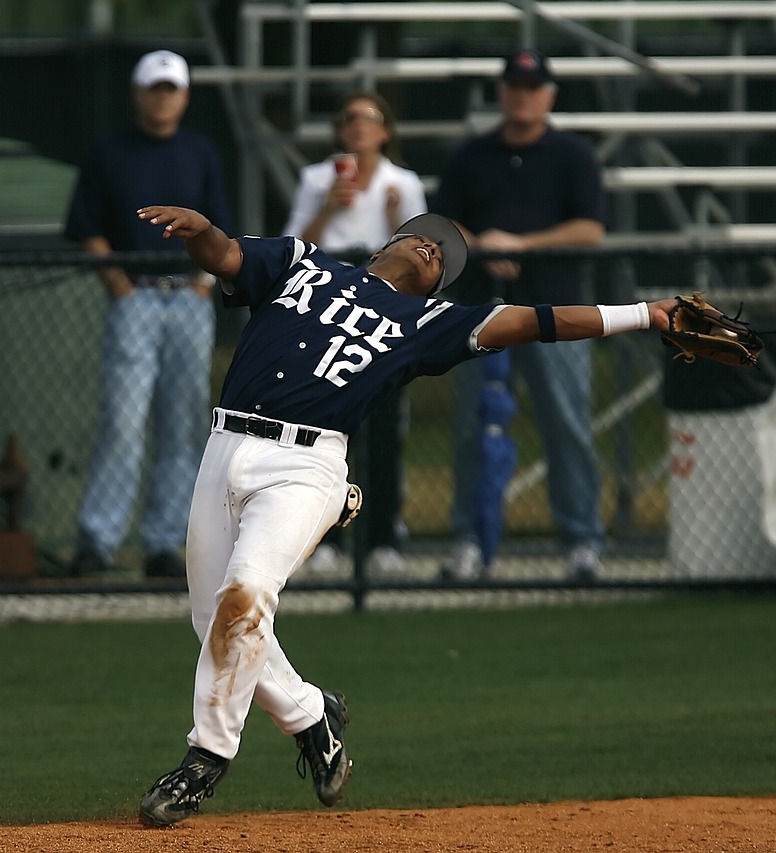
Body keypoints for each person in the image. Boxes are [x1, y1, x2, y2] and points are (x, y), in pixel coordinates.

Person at [129, 201, 676, 827]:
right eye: (427, 240)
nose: (433, 251)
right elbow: (225, 256)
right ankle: (314, 716)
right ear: (391, 241)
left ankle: (205, 761)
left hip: (306, 466)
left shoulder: (426, 320)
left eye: (444, 258)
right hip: (224, 446)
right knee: (213, 618)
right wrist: (201, 232)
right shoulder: (301, 263)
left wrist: (644, 314)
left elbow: (533, 321)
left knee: (245, 597)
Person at [432, 49, 608, 583]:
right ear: (502, 92)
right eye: (514, 86)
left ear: (549, 95)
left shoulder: (573, 156)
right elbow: (443, 225)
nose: (523, 95)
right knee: (472, 427)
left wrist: (524, 244)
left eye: (532, 87)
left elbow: (590, 230)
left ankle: (582, 541)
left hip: (557, 311)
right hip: (480, 312)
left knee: (567, 424)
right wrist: (484, 244)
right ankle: (469, 539)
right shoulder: (471, 155)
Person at [63, 50, 235, 578]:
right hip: (135, 297)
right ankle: (99, 537)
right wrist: (114, 278)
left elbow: (220, 227)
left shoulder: (200, 151)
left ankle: (164, 541)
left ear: (184, 96)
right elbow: (85, 224)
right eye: (155, 88)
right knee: (124, 419)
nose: (163, 98)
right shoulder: (107, 152)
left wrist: (207, 280)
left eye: (172, 89)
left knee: (181, 425)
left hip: (189, 297)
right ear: (138, 93)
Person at [282, 90, 427, 577]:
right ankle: (322, 540)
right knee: (323, 426)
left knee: (384, 426)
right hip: (328, 304)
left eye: (370, 118)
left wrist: (392, 221)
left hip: (382, 309)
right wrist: (327, 209)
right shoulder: (317, 178)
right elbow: (293, 247)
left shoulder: (401, 183)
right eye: (351, 118)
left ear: (385, 130)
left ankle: (384, 537)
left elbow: (422, 260)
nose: (360, 126)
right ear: (341, 130)